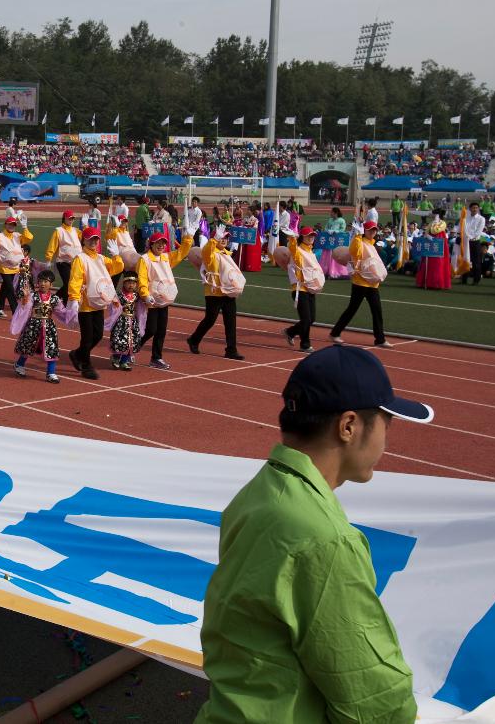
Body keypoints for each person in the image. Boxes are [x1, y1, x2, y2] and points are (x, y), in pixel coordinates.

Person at [195, 345, 431, 724]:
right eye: (387, 422)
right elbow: (375, 698)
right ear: (348, 426)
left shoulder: (261, 492)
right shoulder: (324, 540)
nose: (387, 437)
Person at [66, 227, 124, 379]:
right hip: (85, 304)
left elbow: (118, 268)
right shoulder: (80, 259)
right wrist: (73, 298)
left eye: (96, 239)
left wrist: (117, 255)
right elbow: (76, 279)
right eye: (90, 239)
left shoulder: (100, 258)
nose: (93, 242)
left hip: (98, 303)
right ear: (83, 240)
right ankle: (86, 366)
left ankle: (76, 354)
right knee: (87, 337)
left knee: (97, 335)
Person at [135, 230, 194, 370]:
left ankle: (156, 358)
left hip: (164, 300)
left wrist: (188, 238)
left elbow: (181, 253)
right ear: (151, 244)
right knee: (150, 330)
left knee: (161, 331)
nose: (161, 245)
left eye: (163, 243)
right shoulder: (144, 260)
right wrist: (145, 295)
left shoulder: (166, 258)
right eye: (158, 243)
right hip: (152, 301)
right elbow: (141, 279)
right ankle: (132, 347)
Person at [329, 220, 391, 348]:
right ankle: (335, 333)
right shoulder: (359, 242)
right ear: (365, 231)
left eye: (374, 230)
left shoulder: (371, 244)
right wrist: (357, 235)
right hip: (360, 283)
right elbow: (355, 252)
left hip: (372, 284)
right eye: (370, 230)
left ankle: (380, 339)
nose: (373, 232)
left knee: (377, 310)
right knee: (352, 309)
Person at [187, 227, 244, 360]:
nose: (224, 240)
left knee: (231, 321)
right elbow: (207, 251)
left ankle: (231, 349)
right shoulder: (210, 254)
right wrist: (214, 240)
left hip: (228, 292)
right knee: (210, 320)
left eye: (226, 238)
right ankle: (194, 340)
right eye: (221, 238)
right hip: (214, 292)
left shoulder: (226, 254)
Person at [11, 269, 66, 383]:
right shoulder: (33, 296)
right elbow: (25, 308)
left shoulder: (55, 299)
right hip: (33, 326)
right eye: (40, 281)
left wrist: (76, 303)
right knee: (28, 345)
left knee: (51, 348)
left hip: (48, 328)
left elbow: (62, 312)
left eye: (46, 281)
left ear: (51, 284)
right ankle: (19, 364)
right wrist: (25, 298)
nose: (42, 283)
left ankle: (51, 373)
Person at [283, 226, 325, 353]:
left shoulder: (310, 252)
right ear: (302, 237)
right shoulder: (299, 251)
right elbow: (294, 254)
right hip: (300, 290)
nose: (311, 238)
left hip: (310, 289)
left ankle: (290, 331)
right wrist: (292, 239)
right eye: (308, 235)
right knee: (306, 319)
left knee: (311, 319)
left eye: (313, 235)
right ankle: (305, 344)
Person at [0, 216, 33, 317]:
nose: (11, 226)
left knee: (5, 287)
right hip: (4, 267)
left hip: (15, 267)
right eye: (10, 224)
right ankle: (15, 311)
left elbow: (29, 238)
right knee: (10, 289)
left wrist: (25, 227)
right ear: (5, 224)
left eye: (13, 224)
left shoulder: (18, 236)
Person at [45, 210, 81, 296]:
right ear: (64, 219)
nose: (71, 220)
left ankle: (56, 299)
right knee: (68, 284)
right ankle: (59, 300)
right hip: (63, 262)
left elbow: (86, 238)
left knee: (70, 285)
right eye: (69, 218)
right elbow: (52, 245)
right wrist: (48, 259)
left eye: (72, 218)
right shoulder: (59, 231)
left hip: (75, 262)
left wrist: (86, 226)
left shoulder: (75, 230)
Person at [415, 209, 452, 290]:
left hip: (439, 242)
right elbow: (427, 231)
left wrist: (435, 222)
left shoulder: (442, 223)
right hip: (430, 242)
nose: (432, 215)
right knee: (428, 262)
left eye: (434, 214)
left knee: (438, 262)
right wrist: (427, 235)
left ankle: (437, 283)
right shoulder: (432, 222)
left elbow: (435, 230)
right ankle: (426, 282)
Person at [459, 202, 487, 285]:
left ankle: (476, 279)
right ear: (470, 209)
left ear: (478, 209)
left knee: (476, 262)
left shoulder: (481, 219)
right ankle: (464, 279)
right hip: (465, 241)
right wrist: (462, 236)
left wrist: (469, 237)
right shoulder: (465, 218)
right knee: (465, 260)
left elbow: (478, 231)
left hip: (475, 242)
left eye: (476, 208)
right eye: (473, 208)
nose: (475, 209)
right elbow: (462, 228)